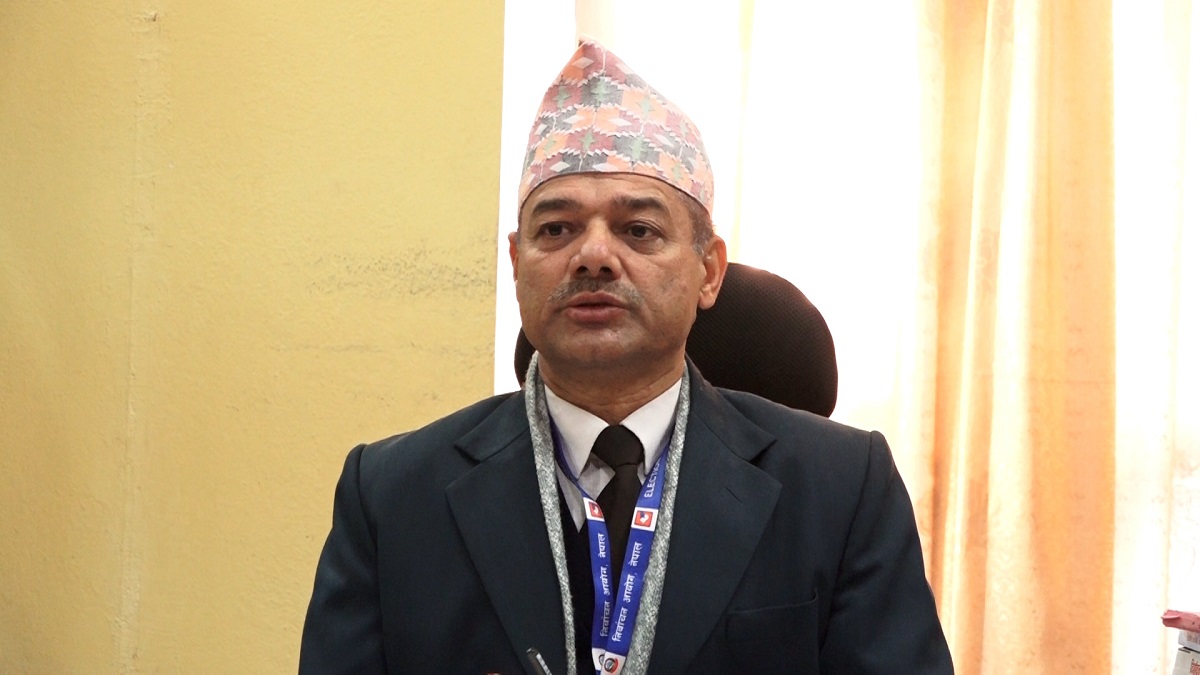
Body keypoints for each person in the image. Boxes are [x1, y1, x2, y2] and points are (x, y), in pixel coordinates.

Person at [300, 40, 954, 675]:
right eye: (556, 229)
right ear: (517, 264)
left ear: (708, 271)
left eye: (638, 229)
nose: (593, 256)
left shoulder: (842, 489)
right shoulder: (390, 497)